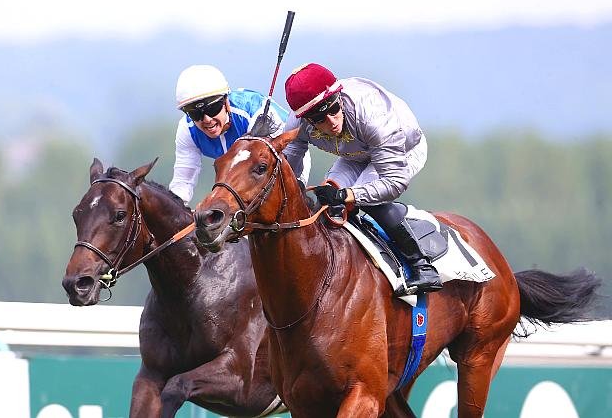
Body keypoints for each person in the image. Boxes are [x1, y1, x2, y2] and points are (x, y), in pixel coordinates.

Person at [282, 62, 442, 294]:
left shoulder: (371, 115)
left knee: (362, 199)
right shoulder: (296, 125)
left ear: (338, 97)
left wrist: (348, 194)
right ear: (305, 119)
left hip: (402, 150)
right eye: (319, 119)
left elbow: (394, 182)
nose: (331, 121)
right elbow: (289, 169)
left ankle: (422, 266)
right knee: (328, 204)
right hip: (356, 154)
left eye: (333, 109)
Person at [169, 64, 291, 205]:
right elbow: (182, 183)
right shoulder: (187, 129)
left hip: (290, 156)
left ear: (226, 101)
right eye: (195, 114)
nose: (207, 119)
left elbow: (279, 169)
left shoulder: (254, 114)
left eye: (213, 108)